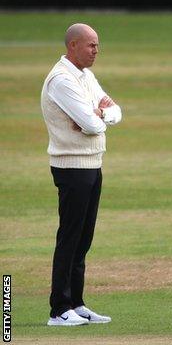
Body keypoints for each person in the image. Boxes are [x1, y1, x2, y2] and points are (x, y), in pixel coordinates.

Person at [41, 23, 122, 326]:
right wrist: (97, 115)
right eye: (91, 45)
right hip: (71, 166)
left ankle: (77, 302)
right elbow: (91, 125)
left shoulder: (86, 77)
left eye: (98, 45)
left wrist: (100, 113)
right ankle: (59, 309)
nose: (96, 51)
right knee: (70, 236)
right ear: (73, 45)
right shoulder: (61, 80)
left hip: (92, 164)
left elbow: (116, 112)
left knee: (84, 238)